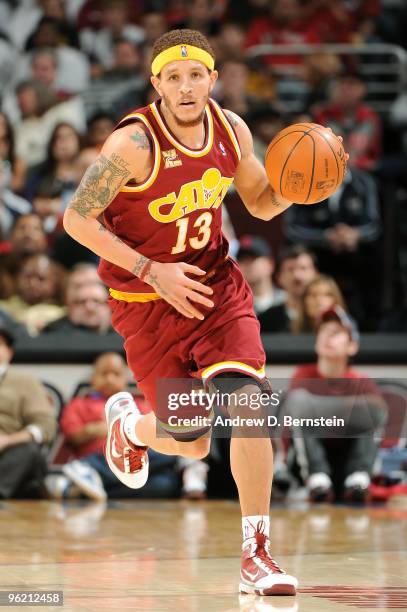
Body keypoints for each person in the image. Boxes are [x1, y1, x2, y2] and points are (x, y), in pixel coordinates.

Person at [63, 28, 346, 597]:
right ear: (157, 84)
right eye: (174, 77)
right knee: (189, 438)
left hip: (216, 286)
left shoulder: (232, 129)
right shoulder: (133, 145)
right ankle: (132, 427)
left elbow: (263, 202)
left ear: (213, 79)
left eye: (197, 76)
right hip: (146, 301)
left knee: (248, 404)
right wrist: (151, 271)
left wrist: (299, 184)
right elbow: (77, 219)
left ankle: (257, 554)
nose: (187, 87)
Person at [284, 306, 387, 503]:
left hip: (346, 459)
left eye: (336, 333)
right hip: (307, 462)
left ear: (352, 346)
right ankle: (317, 480)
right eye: (323, 332)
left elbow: (379, 415)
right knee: (299, 404)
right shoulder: (303, 376)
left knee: (372, 411)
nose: (327, 337)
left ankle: (358, 479)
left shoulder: (362, 382)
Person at [47, 352, 179, 500]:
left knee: (166, 484)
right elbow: (72, 436)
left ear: (125, 378)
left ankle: (90, 486)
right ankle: (89, 470)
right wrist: (96, 430)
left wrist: (117, 430)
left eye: (116, 374)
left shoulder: (140, 404)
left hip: (135, 462)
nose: (109, 379)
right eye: (104, 374)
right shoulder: (79, 404)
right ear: (93, 378)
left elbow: (154, 435)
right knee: (178, 455)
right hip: (98, 456)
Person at [0, 324, 56, 499]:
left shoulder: (25, 382)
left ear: (9, 352)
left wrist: (7, 440)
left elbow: (46, 426)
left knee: (29, 451)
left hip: (9, 453)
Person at [236, 235, 287, 333]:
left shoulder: (286, 301)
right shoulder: (234, 305)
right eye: (242, 260)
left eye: (253, 258)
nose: (247, 264)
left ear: (270, 264)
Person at [275, 244, 319, 331]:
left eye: (303, 268)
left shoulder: (329, 317)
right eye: (290, 269)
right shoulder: (266, 320)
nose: (297, 276)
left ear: (316, 273)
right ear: (278, 277)